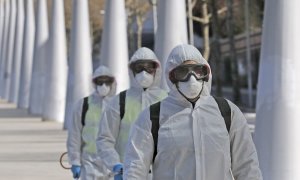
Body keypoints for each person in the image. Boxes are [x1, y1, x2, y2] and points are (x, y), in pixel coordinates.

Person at [123, 44, 263, 180]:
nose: (191, 78)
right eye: (183, 72)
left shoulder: (227, 112)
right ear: (171, 77)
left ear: (206, 73)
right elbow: (135, 168)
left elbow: (247, 166)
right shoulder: (152, 117)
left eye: (197, 71)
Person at [96, 47, 168, 180]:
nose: (144, 73)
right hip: (128, 173)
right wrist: (115, 165)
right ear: (132, 71)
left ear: (156, 70)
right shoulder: (119, 102)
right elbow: (104, 139)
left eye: (148, 68)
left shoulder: (167, 100)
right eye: (139, 68)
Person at [67, 65, 117, 180]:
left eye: (107, 81)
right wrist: (75, 160)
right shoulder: (83, 105)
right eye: (100, 82)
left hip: (113, 163)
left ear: (112, 82)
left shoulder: (118, 105)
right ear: (94, 83)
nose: (103, 85)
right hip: (89, 162)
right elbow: (75, 135)